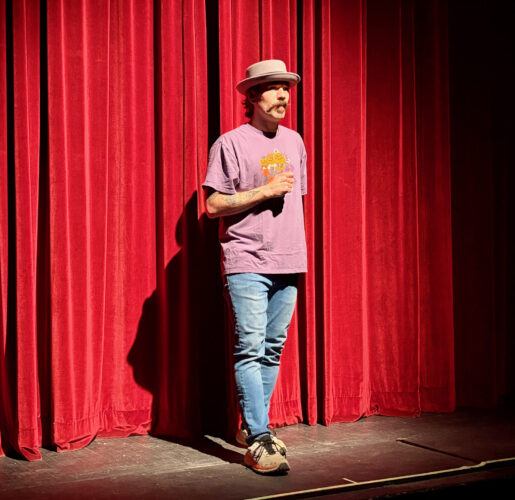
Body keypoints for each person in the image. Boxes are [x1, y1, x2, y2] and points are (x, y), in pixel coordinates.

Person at [203, 60, 307, 474]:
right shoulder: (229, 143)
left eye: (287, 88)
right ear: (252, 96)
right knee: (250, 346)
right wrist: (264, 190)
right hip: (247, 259)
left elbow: (295, 203)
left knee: (273, 347)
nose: (283, 95)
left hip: (289, 258)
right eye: (274, 87)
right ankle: (261, 438)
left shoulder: (295, 141)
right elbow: (213, 206)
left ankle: (253, 429)